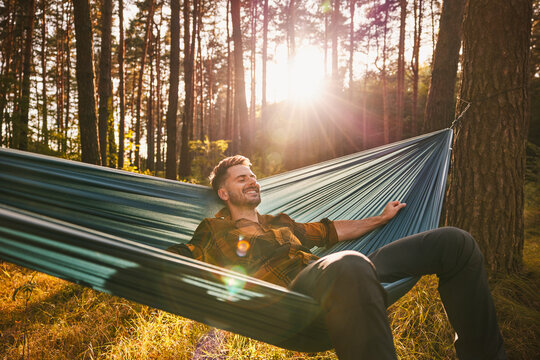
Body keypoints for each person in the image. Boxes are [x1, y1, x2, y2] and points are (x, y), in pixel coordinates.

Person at [167, 155, 507, 360]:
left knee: (454, 242)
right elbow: (183, 257)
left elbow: (331, 232)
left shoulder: (281, 223)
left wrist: (382, 219)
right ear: (224, 193)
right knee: (348, 263)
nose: (252, 181)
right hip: (290, 304)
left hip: (341, 279)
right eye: (242, 178)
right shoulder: (214, 229)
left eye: (253, 176)